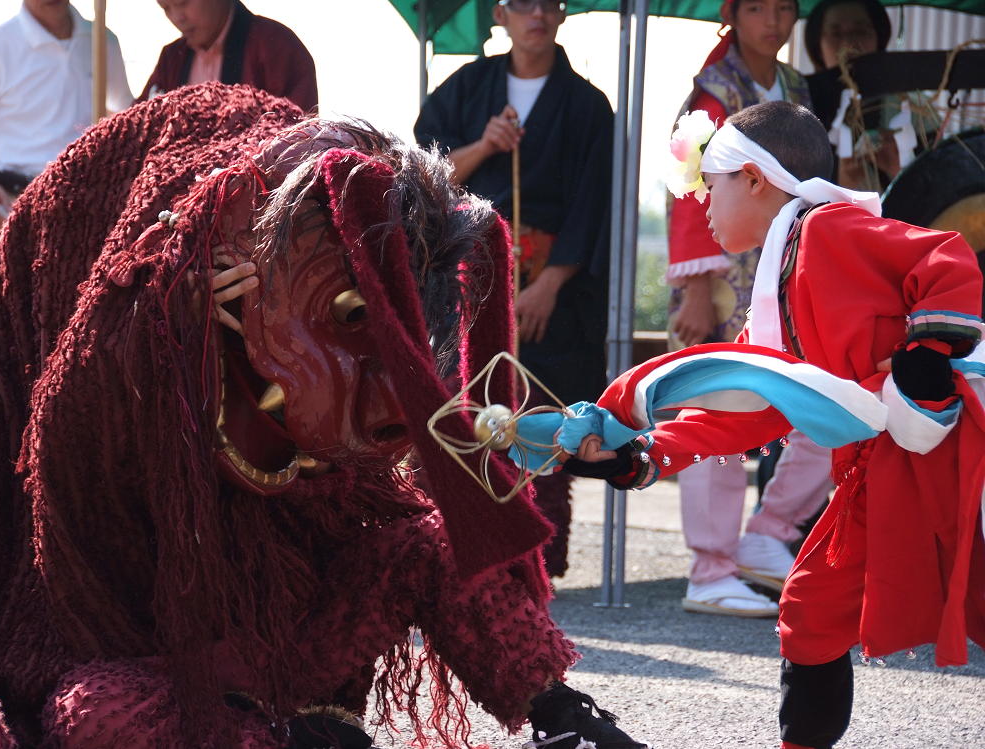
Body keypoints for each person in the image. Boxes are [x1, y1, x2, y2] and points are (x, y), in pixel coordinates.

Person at [0, 83, 645, 749]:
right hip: (71, 583)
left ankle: (564, 712)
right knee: (34, 713)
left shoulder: (334, 414)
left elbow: (448, 486)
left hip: (231, 646)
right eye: (345, 318)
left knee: (416, 545)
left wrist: (582, 443)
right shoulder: (136, 321)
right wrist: (179, 314)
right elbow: (70, 451)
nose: (388, 401)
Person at [563, 100, 984, 748]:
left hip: (948, 455)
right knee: (811, 609)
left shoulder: (828, 228)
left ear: (755, 179)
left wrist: (925, 358)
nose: (702, 203)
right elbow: (752, 404)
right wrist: (642, 454)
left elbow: (947, 256)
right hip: (884, 467)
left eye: (713, 184)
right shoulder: (783, 273)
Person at [414, 0, 614, 577]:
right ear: (499, 14)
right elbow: (424, 175)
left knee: (547, 418)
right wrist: (485, 145)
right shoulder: (464, 91)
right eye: (522, 3)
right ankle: (465, 550)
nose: (537, 14)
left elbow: (594, 203)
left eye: (549, 3)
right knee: (466, 406)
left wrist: (550, 282)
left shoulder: (588, 106)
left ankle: (541, 559)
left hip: (555, 292)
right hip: (469, 283)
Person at [666, 0, 823, 616]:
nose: (774, 19)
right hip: (721, 271)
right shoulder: (712, 91)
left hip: (789, 264)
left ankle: (769, 531)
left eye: (784, 6)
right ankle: (710, 568)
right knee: (718, 406)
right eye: (758, 5)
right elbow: (689, 188)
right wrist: (697, 284)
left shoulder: (798, 87)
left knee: (816, 399)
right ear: (734, 14)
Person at [0, 0, 134, 294]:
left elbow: (128, 123)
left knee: (71, 333)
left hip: (78, 219)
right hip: (3, 212)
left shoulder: (102, 42)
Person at [803, 0, 938, 191]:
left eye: (860, 31)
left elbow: (937, 192)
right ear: (817, 44)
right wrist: (837, 185)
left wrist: (899, 172)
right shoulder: (801, 109)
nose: (849, 43)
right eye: (836, 33)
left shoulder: (915, 110)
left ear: (879, 38)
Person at [140, 0, 317, 111]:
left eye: (182, 3)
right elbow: (139, 132)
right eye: (166, 8)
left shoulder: (276, 45)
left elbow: (299, 142)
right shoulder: (171, 59)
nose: (177, 17)